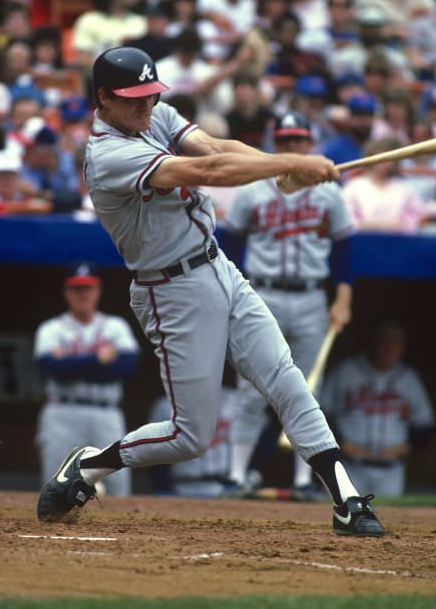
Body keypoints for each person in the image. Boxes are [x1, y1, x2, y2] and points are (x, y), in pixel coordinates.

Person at [36, 45, 385, 538]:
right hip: (171, 290)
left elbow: (217, 149)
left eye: (150, 95)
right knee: (190, 435)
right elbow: (208, 173)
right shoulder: (108, 154)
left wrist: (280, 168)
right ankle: (91, 467)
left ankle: (346, 498)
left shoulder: (153, 118)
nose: (146, 105)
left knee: (286, 378)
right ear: (103, 99)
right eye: (134, 98)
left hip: (218, 265)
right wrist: (291, 162)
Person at [224, 111, 354, 501]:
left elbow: (344, 251)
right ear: (274, 144)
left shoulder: (330, 191)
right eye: (284, 141)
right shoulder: (253, 188)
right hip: (263, 293)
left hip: (312, 295)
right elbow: (228, 245)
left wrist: (342, 299)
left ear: (309, 144)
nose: (291, 147)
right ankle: (235, 477)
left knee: (306, 389)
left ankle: (303, 481)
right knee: (249, 389)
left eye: (298, 141)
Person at [34, 262, 140, 496]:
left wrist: (73, 362)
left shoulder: (115, 326)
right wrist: (98, 360)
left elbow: (126, 367)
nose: (82, 294)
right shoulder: (51, 329)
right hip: (63, 412)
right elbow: (52, 369)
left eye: (88, 288)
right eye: (76, 288)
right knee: (55, 483)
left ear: (98, 291)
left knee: (117, 485)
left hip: (106, 413)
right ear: (67, 292)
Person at [319, 318, 436, 497]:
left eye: (395, 340)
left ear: (403, 347)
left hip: (391, 471)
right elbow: (321, 413)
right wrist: (340, 442)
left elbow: (426, 426)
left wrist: (407, 447)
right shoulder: (346, 371)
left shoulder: (409, 379)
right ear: (373, 341)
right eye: (384, 339)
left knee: (392, 522)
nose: (389, 346)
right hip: (349, 466)